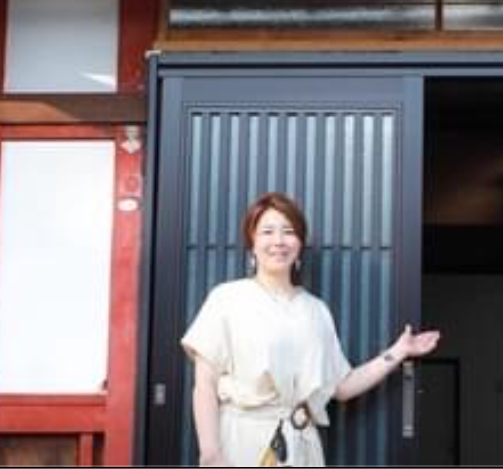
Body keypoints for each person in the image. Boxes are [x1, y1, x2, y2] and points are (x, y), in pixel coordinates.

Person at [182, 191, 440, 466]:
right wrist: (211, 453)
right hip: (242, 443)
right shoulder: (227, 298)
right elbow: (205, 384)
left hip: (302, 446)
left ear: (299, 245)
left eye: (288, 232)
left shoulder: (316, 310)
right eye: (267, 232)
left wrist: (399, 352)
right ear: (252, 244)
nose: (278, 241)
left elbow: (342, 386)